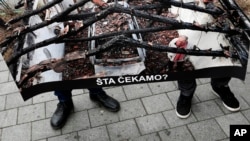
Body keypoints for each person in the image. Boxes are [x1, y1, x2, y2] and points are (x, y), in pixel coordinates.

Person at [50, 0, 120, 129]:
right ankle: (64, 102)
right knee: (58, 71)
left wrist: (101, 3)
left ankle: (96, 92)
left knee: (89, 62)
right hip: (55, 30)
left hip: (83, 23)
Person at [168, 35, 241, 119]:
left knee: (226, 51)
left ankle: (220, 86)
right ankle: (186, 93)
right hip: (183, 50)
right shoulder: (176, 42)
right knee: (184, 67)